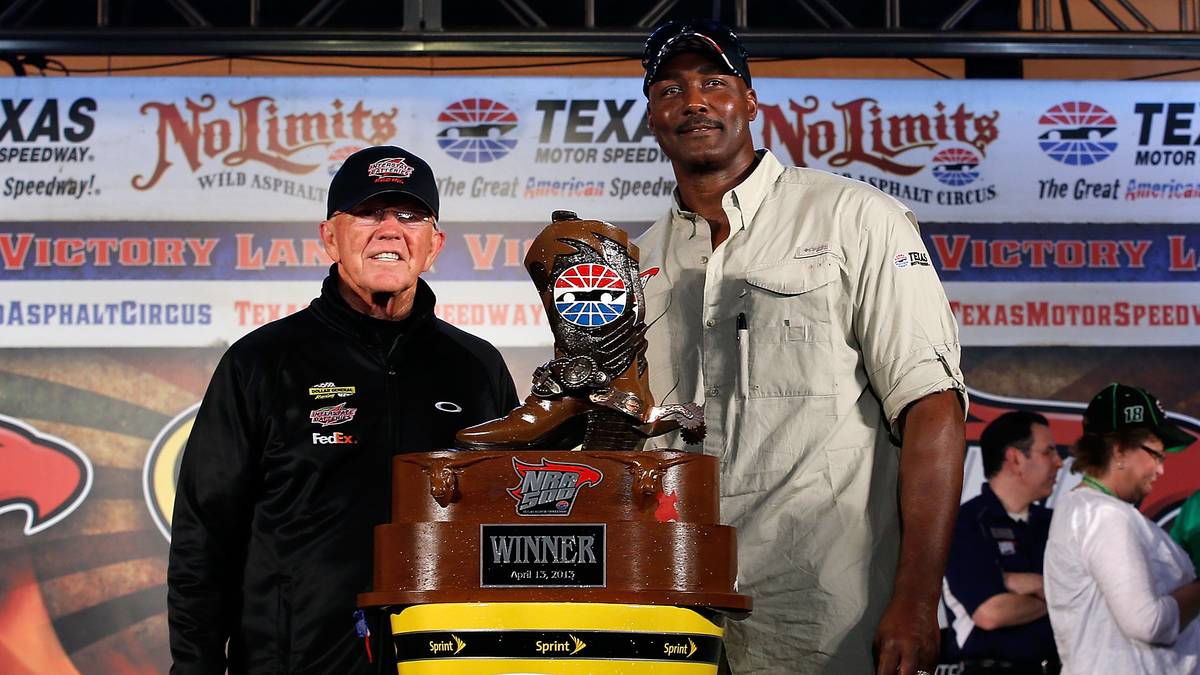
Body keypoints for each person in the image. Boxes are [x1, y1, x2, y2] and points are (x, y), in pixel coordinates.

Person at [636, 18, 967, 675]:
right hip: (670, 621)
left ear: (751, 101)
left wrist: (917, 598)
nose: (694, 100)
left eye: (714, 81)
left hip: (825, 622)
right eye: (671, 88)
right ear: (652, 114)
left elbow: (933, 410)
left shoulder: (854, 218)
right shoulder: (632, 263)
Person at [166, 146, 519, 674]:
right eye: (370, 212)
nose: (390, 230)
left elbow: (511, 533)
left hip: (442, 663)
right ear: (330, 236)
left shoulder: (477, 367)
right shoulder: (261, 362)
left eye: (410, 215)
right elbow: (204, 537)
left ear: (433, 245)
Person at [1044, 382, 1199, 674]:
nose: (1161, 469)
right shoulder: (1103, 515)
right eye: (1155, 454)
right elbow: (1148, 623)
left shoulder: (1093, 510)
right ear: (1119, 451)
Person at [942, 412, 1061, 674]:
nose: (1059, 463)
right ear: (1015, 459)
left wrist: (1024, 584)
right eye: (1048, 452)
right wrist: (1059, 593)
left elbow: (1090, 597)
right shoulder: (966, 525)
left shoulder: (1059, 524)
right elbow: (991, 613)